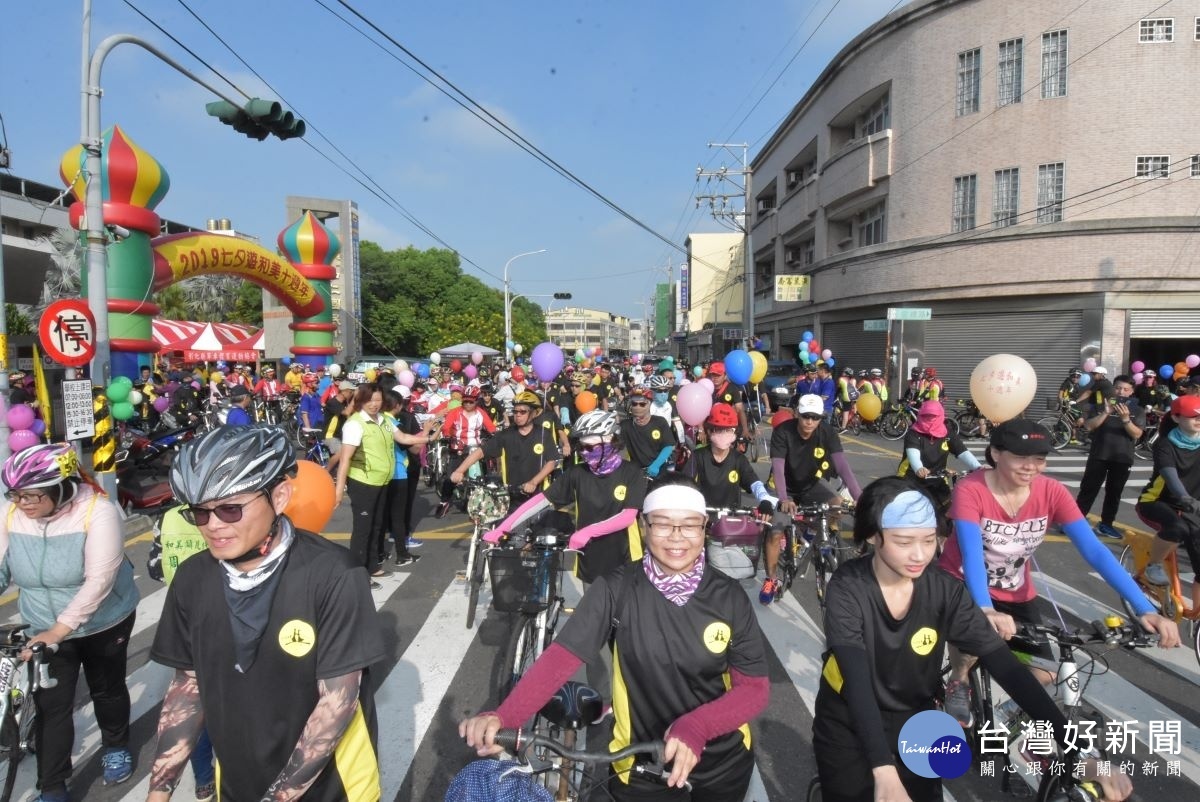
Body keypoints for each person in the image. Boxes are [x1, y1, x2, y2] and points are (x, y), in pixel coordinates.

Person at [814, 476, 1134, 802]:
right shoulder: (848, 587)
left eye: (929, 541)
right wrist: (883, 769)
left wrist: (1081, 754)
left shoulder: (944, 589)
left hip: (916, 714)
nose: (919, 555)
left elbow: (1007, 669)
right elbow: (856, 681)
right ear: (873, 536)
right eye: (904, 542)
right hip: (850, 718)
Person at [461, 483, 770, 800]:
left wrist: (698, 727)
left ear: (704, 528)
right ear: (643, 525)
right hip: (640, 766)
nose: (677, 536)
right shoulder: (615, 589)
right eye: (662, 523)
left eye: (690, 525)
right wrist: (506, 716)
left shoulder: (729, 597)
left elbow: (754, 689)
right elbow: (560, 659)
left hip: (722, 766)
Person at [146, 426, 384, 801]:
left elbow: (338, 702)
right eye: (199, 513)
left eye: (229, 508)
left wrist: (279, 797)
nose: (214, 526)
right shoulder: (194, 578)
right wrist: (159, 790)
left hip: (331, 786)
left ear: (279, 496)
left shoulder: (334, 574)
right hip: (238, 781)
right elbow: (189, 686)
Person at [940, 419, 1179, 726]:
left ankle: (1007, 717)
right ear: (996, 454)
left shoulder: (1052, 491)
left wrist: (1146, 609)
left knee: (1046, 674)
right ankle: (958, 683)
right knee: (970, 647)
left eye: (1039, 459)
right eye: (1021, 457)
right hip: (964, 584)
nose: (1031, 467)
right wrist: (984, 608)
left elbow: (1094, 551)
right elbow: (972, 553)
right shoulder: (970, 488)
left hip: (1015, 590)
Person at [0, 443, 139, 800]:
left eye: (31, 495)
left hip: (104, 621)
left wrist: (59, 630)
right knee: (51, 705)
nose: (23, 504)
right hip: (41, 623)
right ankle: (52, 783)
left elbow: (99, 581)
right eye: (16, 495)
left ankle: (116, 745)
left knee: (106, 688)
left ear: (61, 486)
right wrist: (47, 631)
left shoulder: (98, 512)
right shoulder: (12, 513)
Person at [763, 394, 863, 604]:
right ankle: (771, 579)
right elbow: (778, 469)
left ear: (821, 418)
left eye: (815, 417)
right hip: (785, 488)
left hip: (811, 484)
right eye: (805, 416)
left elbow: (842, 466)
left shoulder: (827, 432)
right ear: (797, 414)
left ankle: (813, 532)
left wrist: (859, 497)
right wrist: (783, 498)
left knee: (835, 504)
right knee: (775, 531)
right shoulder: (783, 432)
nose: (809, 421)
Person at [334, 383, 437, 586]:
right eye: (370, 400)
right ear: (361, 401)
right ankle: (358, 574)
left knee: (377, 525)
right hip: (363, 482)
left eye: (378, 400)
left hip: (382, 481)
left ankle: (373, 566)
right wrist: (338, 490)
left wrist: (429, 437)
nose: (374, 404)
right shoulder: (355, 424)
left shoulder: (383, 419)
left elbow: (403, 437)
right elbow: (345, 459)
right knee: (363, 529)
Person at [451, 390, 561, 503]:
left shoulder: (543, 434)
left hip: (537, 494)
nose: (517, 415)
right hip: (511, 494)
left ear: (534, 413)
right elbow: (480, 452)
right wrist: (460, 470)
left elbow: (551, 462)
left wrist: (533, 482)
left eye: (522, 412)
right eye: (515, 411)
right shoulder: (506, 435)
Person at [1136, 395, 1200, 587]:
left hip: (1192, 508)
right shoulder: (1165, 444)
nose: (1199, 420)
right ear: (1176, 417)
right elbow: (1170, 476)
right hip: (1157, 502)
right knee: (1177, 528)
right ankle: (1152, 566)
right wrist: (1185, 498)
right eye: (1193, 416)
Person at [1076, 373, 1144, 539]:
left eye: (1125, 389)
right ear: (1113, 389)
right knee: (1088, 490)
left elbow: (1137, 434)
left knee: (1114, 493)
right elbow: (1089, 426)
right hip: (1099, 455)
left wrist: (1126, 419)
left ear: (1131, 392)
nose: (1121, 392)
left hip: (1122, 458)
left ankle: (1106, 525)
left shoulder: (1137, 410)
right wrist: (1106, 413)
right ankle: (1074, 523)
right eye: (1118, 388)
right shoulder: (1100, 405)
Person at [685, 403, 775, 512]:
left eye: (728, 430)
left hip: (732, 519)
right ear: (709, 431)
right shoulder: (698, 456)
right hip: (703, 515)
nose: (724, 434)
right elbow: (684, 483)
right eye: (718, 430)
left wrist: (764, 498)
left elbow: (754, 482)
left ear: (734, 432)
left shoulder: (738, 459)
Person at [896, 400, 982, 512]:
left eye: (933, 416)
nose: (929, 419)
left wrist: (979, 467)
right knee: (909, 512)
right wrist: (919, 468)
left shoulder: (948, 433)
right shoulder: (913, 433)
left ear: (941, 416)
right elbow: (913, 454)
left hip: (938, 480)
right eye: (925, 416)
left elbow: (962, 452)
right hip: (910, 479)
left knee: (947, 511)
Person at [436, 386, 498, 518]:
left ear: (476, 401)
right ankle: (444, 501)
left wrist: (496, 435)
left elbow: (491, 427)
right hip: (458, 447)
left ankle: (485, 501)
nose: (468, 404)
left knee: (487, 476)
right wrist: (448, 435)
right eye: (465, 401)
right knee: (450, 478)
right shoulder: (455, 412)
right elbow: (446, 427)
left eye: (471, 402)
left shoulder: (481, 413)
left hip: (476, 448)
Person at [622, 386, 677, 478]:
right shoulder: (625, 426)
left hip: (659, 469)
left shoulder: (660, 422)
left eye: (642, 404)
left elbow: (668, 446)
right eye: (634, 404)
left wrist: (655, 465)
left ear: (649, 404)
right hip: (637, 473)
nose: (637, 407)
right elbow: (615, 446)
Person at [708, 362, 754, 443]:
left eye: (718, 375)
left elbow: (740, 409)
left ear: (725, 376)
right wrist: (701, 428)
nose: (715, 378)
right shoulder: (706, 387)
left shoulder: (732, 388)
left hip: (726, 425)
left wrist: (745, 429)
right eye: (713, 375)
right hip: (709, 425)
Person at [322, 380, 356, 476]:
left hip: (341, 435)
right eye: (350, 392)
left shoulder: (345, 403)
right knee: (341, 452)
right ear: (344, 391)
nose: (352, 394)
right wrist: (355, 399)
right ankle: (326, 472)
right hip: (330, 435)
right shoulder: (332, 402)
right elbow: (346, 413)